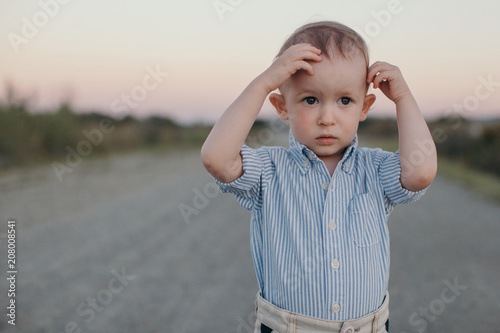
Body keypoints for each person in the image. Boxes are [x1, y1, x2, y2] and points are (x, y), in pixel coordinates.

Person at [201, 21, 437, 333]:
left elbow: (420, 172)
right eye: (310, 100)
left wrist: (403, 98)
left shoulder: (375, 169)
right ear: (282, 107)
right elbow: (217, 158)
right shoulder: (270, 170)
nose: (327, 118)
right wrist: (261, 84)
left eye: (345, 101)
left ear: (364, 106)